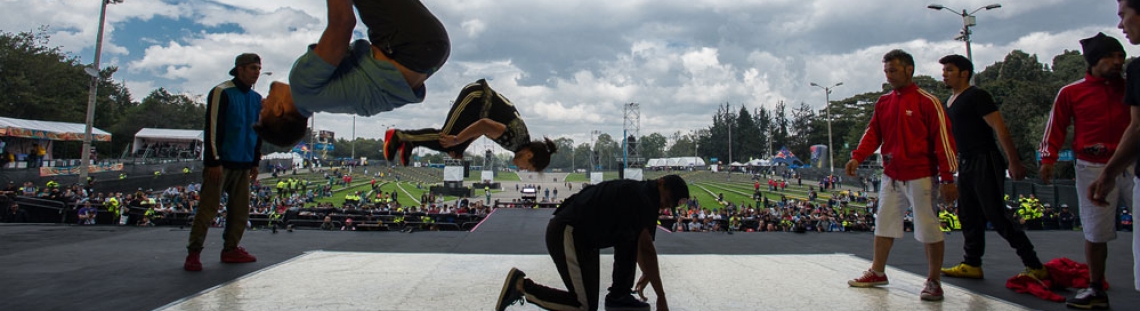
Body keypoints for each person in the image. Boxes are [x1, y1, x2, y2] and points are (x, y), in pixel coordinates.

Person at [254, 0, 450, 147]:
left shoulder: (328, 100)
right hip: (411, 44)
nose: (262, 102)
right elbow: (342, 23)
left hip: (430, 55)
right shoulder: (301, 84)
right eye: (263, 111)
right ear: (279, 110)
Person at [845, 49, 958, 302]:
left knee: (928, 227)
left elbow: (944, 142)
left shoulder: (927, 102)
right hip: (891, 174)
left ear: (909, 69)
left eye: (893, 71)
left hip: (921, 175)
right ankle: (877, 271)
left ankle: (933, 280)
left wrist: (948, 178)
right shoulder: (884, 102)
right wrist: (857, 156)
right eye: (886, 71)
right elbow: (873, 132)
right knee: (883, 223)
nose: (888, 76)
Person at [495, 175, 689, 311]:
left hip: (582, 238)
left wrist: (647, 272)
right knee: (583, 306)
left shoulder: (640, 194)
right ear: (661, 183)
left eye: (669, 205)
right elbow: (646, 248)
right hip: (568, 232)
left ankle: (619, 295)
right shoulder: (645, 198)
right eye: (667, 200)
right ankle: (521, 286)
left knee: (627, 239)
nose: (665, 205)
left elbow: (637, 243)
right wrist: (661, 297)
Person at [936, 54, 1048, 281]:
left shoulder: (977, 96)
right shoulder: (948, 102)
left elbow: (1000, 128)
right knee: (967, 214)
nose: (944, 74)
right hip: (965, 161)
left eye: (949, 70)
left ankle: (1034, 264)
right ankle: (971, 263)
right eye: (944, 70)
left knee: (996, 214)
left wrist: (1013, 161)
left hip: (984, 158)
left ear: (964, 73)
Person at [1041, 32, 1133, 309]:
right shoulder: (1071, 92)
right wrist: (1048, 159)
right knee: (1095, 231)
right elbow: (1055, 126)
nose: (1117, 62)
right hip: (1092, 165)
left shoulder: (1131, 86)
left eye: (1120, 56)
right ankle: (1095, 288)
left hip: (1132, 163)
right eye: (1110, 57)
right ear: (1094, 61)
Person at [183, 53, 264, 272]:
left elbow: (258, 132)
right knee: (208, 209)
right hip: (222, 162)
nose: (257, 72)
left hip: (244, 163)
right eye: (253, 68)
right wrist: (213, 161)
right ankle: (194, 252)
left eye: (258, 68)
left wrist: (256, 161)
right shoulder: (222, 92)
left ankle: (231, 249)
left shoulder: (257, 99)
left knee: (240, 211)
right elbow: (212, 127)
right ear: (240, 69)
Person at [383, 79, 556, 171]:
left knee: (453, 147)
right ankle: (400, 137)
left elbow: (483, 130)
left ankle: (409, 142)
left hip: (479, 107)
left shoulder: (519, 142)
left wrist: (461, 146)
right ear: (529, 155)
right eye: (529, 167)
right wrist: (457, 139)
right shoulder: (514, 141)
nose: (523, 169)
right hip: (476, 98)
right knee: (446, 139)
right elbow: (484, 124)